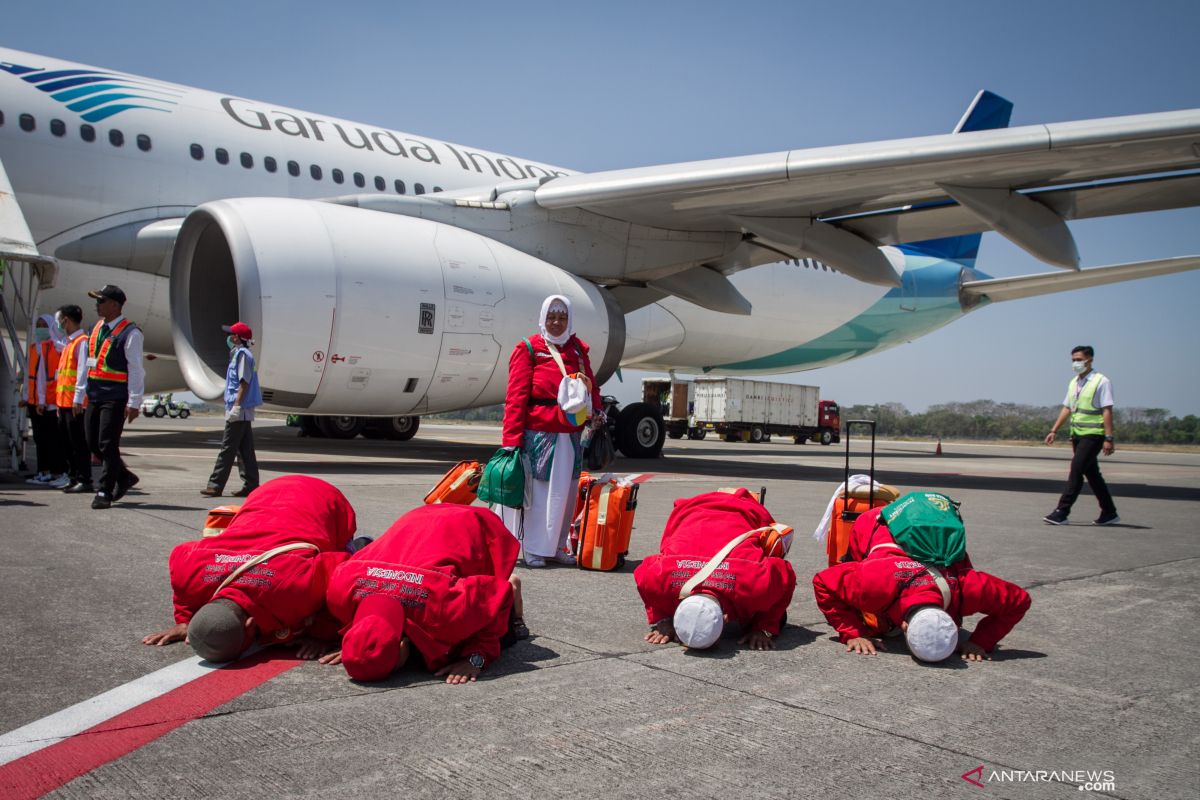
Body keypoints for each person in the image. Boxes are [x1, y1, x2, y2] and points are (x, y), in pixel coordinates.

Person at [142, 475, 357, 662]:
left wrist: (323, 633)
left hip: (324, 499)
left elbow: (343, 570)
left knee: (355, 552)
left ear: (250, 624)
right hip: (265, 495)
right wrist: (185, 621)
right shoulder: (190, 572)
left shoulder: (294, 586)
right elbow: (180, 556)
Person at [321, 504, 526, 684]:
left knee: (504, 636)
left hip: (469, 523)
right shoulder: (341, 590)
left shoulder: (441, 610)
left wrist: (476, 659)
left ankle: (514, 586)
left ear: (402, 648)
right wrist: (359, 650)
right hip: (417, 520)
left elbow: (500, 594)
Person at [812, 506, 1031, 662]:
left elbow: (1020, 601)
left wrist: (982, 641)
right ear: (905, 627)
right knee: (867, 609)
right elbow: (823, 581)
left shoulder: (967, 588)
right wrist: (853, 632)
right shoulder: (875, 582)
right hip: (875, 523)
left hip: (924, 530)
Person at [498, 295, 604, 567]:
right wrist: (511, 440)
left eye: (562, 317)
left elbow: (592, 384)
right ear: (543, 318)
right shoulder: (529, 349)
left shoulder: (578, 349)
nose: (557, 323)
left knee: (565, 493)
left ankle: (557, 546)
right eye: (552, 318)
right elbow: (516, 397)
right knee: (539, 492)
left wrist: (598, 411)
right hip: (539, 434)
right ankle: (533, 548)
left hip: (570, 433)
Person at [633, 489, 797, 651]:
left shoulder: (754, 585)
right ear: (725, 619)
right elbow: (642, 572)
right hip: (690, 509)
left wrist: (763, 627)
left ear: (725, 619)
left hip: (746, 509)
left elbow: (787, 574)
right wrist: (663, 617)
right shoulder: (658, 581)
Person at [80, 284, 144, 509]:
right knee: (92, 443)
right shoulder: (96, 328)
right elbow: (86, 364)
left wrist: (134, 402)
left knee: (107, 443)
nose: (97, 305)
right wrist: (80, 394)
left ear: (115, 305)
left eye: (102, 301)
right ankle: (124, 476)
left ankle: (104, 490)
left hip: (115, 397)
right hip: (95, 394)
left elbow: (136, 369)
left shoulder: (131, 332)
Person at [1043, 345, 1119, 526]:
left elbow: (1107, 409)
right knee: (1092, 475)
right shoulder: (1074, 382)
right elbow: (1067, 408)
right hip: (1077, 434)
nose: (1075, 363)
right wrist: (1054, 430)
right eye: (1073, 360)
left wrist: (1109, 438)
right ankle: (1109, 512)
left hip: (1094, 435)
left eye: (1078, 359)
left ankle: (1062, 511)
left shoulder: (1101, 381)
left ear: (1089, 359)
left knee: (1076, 471)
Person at [202, 321, 262, 498]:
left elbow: (244, 382)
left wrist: (236, 406)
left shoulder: (243, 355)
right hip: (241, 409)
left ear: (238, 337)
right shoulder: (238, 354)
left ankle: (215, 485)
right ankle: (251, 484)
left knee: (227, 448)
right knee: (245, 450)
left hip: (240, 409)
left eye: (232, 334)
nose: (229, 336)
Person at [20, 314, 68, 487]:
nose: (40, 328)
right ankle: (43, 471)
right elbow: (29, 376)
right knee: (40, 439)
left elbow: (43, 378)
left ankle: (55, 471)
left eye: (44, 325)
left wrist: (41, 400)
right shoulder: (34, 348)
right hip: (37, 401)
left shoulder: (53, 348)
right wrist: (26, 397)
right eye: (38, 325)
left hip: (50, 402)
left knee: (52, 440)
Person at [55, 305, 94, 494]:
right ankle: (72, 477)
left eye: (60, 319)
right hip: (64, 402)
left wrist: (78, 399)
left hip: (75, 403)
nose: (59, 323)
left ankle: (85, 479)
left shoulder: (82, 342)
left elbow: (82, 372)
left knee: (79, 443)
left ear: (67, 320)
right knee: (67, 443)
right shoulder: (68, 343)